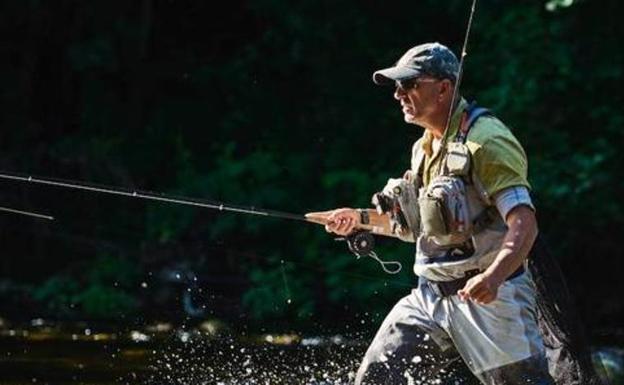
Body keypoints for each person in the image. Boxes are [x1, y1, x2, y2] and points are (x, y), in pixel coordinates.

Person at [323, 43, 555, 385]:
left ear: (444, 87)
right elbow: (417, 226)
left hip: (493, 303)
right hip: (430, 297)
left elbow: (525, 223)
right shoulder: (424, 147)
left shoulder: (487, 141)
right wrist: (358, 219)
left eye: (409, 84)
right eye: (397, 86)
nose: (398, 94)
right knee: (376, 379)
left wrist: (492, 278)